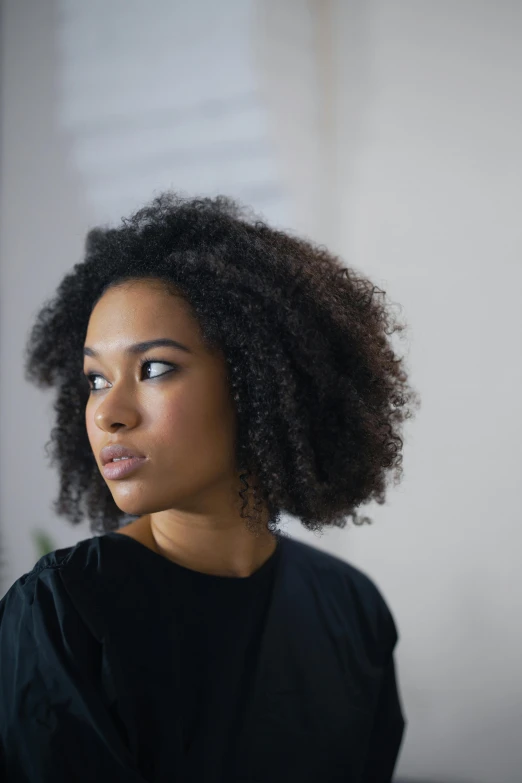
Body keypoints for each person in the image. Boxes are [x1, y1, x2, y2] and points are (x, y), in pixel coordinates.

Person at [0, 192, 420, 782]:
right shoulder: (64, 610)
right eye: (95, 379)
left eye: (154, 368)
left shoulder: (352, 610)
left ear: (259, 382)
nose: (107, 413)